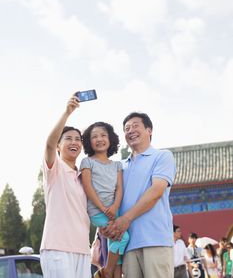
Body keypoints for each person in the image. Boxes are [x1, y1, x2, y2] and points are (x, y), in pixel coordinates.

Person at [102, 112, 176, 278]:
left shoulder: (162, 156)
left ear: (149, 130)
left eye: (135, 126)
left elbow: (156, 191)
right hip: (127, 244)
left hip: (155, 240)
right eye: (126, 128)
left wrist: (126, 219)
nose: (130, 131)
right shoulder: (119, 166)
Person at [40, 95, 91, 278]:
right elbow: (48, 144)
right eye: (68, 138)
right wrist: (67, 113)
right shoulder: (55, 169)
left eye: (78, 139)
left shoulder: (83, 176)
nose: (74, 142)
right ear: (59, 146)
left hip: (83, 250)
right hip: (57, 248)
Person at [80, 121, 129, 278]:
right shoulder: (87, 162)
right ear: (89, 141)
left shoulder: (117, 165)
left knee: (116, 247)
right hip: (97, 211)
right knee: (123, 237)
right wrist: (103, 208)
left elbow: (119, 188)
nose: (99, 139)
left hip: (114, 210)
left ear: (110, 139)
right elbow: (88, 187)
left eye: (103, 135)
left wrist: (114, 206)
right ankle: (106, 271)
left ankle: (113, 273)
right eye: (94, 136)